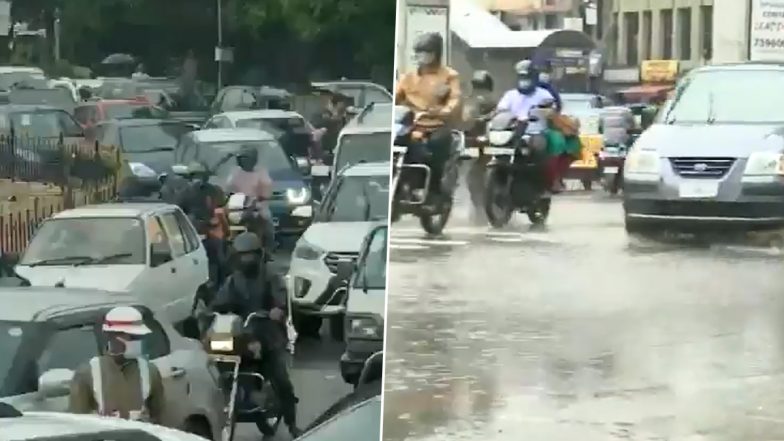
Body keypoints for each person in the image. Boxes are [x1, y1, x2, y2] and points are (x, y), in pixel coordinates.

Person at [209, 231, 300, 438]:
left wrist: (276, 310)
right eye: (242, 255)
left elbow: (280, 298)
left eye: (250, 254)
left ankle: (292, 423)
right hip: (241, 336)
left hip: (267, 335)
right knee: (218, 361)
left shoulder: (270, 275)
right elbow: (219, 302)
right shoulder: (234, 280)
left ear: (259, 254)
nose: (246, 259)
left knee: (281, 379)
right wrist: (209, 310)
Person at [395, 32, 462, 209]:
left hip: (437, 125)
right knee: (400, 146)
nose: (422, 56)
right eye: (419, 52)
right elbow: (396, 96)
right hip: (412, 125)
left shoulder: (449, 76)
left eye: (426, 52)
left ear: (436, 54)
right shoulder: (408, 77)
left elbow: (454, 99)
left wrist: (443, 111)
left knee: (435, 150)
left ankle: (434, 192)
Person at [68, 306, 165, 423]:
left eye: (138, 337)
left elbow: (159, 419)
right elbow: (77, 422)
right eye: (132, 337)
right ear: (113, 336)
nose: (137, 342)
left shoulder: (150, 371)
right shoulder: (87, 373)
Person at [179, 161, 228, 287]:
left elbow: (222, 205)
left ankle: (221, 284)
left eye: (200, 176)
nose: (197, 179)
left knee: (220, 256)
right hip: (192, 231)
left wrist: (214, 218)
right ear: (189, 177)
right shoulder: (184, 192)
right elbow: (178, 211)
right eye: (195, 176)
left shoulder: (214, 191)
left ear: (205, 177)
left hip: (212, 228)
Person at [226, 146, 276, 251]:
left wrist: (260, 198)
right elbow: (229, 187)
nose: (244, 161)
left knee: (267, 221)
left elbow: (267, 188)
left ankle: (269, 248)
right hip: (237, 206)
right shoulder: (235, 172)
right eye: (242, 158)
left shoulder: (261, 172)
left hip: (257, 206)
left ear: (253, 159)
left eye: (246, 158)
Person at [310, 89, 349, 160]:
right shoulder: (322, 113)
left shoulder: (342, 116)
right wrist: (335, 117)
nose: (344, 107)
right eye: (342, 104)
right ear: (337, 104)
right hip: (323, 151)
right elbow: (317, 124)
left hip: (336, 149)